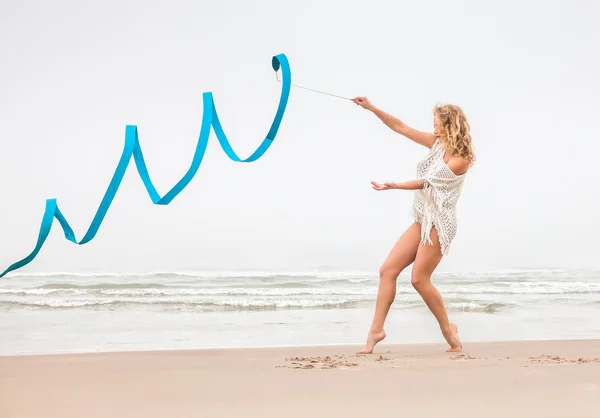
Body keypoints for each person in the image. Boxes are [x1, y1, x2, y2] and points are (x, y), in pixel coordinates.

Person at [351, 96, 475, 353]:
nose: (433, 128)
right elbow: (400, 127)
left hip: (440, 222)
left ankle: (447, 329)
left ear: (449, 125)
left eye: (437, 123)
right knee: (387, 270)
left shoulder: (460, 159)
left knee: (419, 279)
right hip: (422, 218)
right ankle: (376, 330)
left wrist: (393, 185)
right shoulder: (436, 144)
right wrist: (372, 107)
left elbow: (425, 183)